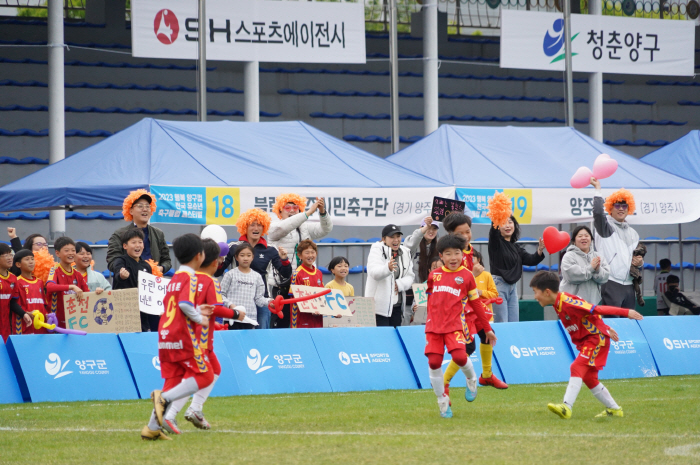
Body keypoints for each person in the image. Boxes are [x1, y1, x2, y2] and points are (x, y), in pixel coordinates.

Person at [529, 270, 643, 419]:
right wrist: (605, 327)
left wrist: (626, 312)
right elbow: (589, 315)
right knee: (589, 378)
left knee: (576, 367)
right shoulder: (558, 303)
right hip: (590, 339)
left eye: (535, 292)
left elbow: (596, 309)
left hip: (595, 339)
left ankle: (566, 407)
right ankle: (614, 409)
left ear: (547, 292)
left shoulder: (568, 302)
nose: (534, 296)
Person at [163, 239, 247, 433]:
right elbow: (216, 308)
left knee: (213, 370)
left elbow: (195, 308)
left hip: (181, 334)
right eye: (221, 259)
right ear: (216, 262)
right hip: (199, 340)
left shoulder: (184, 278)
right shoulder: (209, 281)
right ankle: (172, 413)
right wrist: (236, 314)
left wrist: (214, 324)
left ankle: (194, 409)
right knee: (198, 377)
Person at [143, 234, 214, 441]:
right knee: (206, 376)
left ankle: (151, 429)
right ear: (199, 256)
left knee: (173, 381)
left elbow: (172, 305)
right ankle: (164, 400)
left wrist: (196, 309)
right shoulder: (191, 278)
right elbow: (183, 305)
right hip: (182, 336)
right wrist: (200, 317)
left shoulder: (174, 279)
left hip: (165, 335)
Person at [424, 235, 496, 419]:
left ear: (463, 254)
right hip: (433, 327)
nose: (453, 257)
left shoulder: (467, 276)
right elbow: (431, 300)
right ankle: (442, 400)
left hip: (455, 326)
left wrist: (487, 328)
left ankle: (472, 379)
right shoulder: (434, 275)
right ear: (441, 256)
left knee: (459, 356)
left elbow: (477, 304)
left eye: (457, 253)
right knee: (433, 362)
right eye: (448, 254)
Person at [443, 246, 508, 392]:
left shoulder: (468, 252)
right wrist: (472, 275)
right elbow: (456, 287)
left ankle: (486, 375)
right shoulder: (452, 261)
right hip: (460, 310)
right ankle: (444, 381)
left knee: (487, 334)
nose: (466, 235)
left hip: (473, 306)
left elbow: (491, 293)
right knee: (468, 347)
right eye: (463, 232)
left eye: (468, 231)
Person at [217, 208, 291, 330]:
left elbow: (285, 274)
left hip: (262, 299)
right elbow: (218, 272)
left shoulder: (271, 249)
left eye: (260, 225)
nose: (256, 228)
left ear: (264, 228)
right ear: (245, 226)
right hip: (238, 301)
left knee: (261, 336)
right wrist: (218, 259)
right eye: (252, 225)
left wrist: (284, 260)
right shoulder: (234, 247)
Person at [267, 194, 333, 327]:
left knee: (304, 324)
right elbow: (284, 227)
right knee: (282, 325)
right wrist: (308, 212)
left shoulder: (305, 227)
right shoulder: (274, 226)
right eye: (287, 207)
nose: (292, 210)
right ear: (279, 211)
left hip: (305, 285)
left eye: (296, 207)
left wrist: (322, 211)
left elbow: (326, 229)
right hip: (283, 285)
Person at [590, 178, 643, 313]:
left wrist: (639, 262)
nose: (621, 208)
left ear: (628, 208)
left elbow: (636, 256)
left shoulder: (634, 233)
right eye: (617, 205)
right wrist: (597, 189)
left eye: (624, 205)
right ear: (610, 208)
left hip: (629, 285)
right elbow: (597, 213)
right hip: (611, 282)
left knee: (629, 325)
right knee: (613, 324)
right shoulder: (605, 227)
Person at [488, 215, 545, 322]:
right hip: (498, 286)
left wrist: (540, 250)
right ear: (498, 227)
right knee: (501, 322)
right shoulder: (495, 243)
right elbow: (493, 231)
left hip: (512, 287)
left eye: (510, 222)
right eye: (503, 223)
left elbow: (531, 260)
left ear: (515, 225)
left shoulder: (516, 248)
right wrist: (497, 213)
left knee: (514, 322)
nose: (507, 226)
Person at [107, 189, 171, 277]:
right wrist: (123, 271)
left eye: (148, 206)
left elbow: (167, 260)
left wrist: (161, 268)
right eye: (140, 206)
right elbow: (112, 260)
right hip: (129, 282)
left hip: (153, 282)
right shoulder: (119, 234)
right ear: (130, 211)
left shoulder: (158, 233)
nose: (145, 209)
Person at [365, 224, 415, 327]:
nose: (396, 240)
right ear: (384, 239)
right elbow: (374, 273)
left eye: (398, 236)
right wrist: (387, 268)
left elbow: (410, 276)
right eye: (392, 237)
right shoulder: (376, 250)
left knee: (394, 338)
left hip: (397, 306)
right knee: (381, 339)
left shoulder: (405, 252)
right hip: (379, 308)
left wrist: (400, 284)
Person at [111, 229, 155, 332]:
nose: (138, 245)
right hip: (125, 312)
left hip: (143, 313)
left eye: (140, 242)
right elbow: (117, 274)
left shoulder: (146, 266)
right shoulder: (120, 261)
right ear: (125, 246)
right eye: (133, 242)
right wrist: (121, 276)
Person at [220, 243, 271, 330]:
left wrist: (270, 302)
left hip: (249, 319)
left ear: (252, 257)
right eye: (242, 255)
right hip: (232, 318)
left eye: (248, 255)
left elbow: (259, 299)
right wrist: (230, 305)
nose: (245, 258)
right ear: (236, 257)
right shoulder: (230, 274)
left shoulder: (257, 276)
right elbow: (221, 295)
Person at [45, 237, 89, 329]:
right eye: (66, 250)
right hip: (56, 323)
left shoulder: (77, 274)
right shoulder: (55, 270)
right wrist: (71, 287)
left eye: (73, 250)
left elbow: (87, 293)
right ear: (57, 253)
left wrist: (97, 292)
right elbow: (49, 287)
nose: (71, 253)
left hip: (75, 323)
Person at [560, 225, 610, 305]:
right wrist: (591, 268)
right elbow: (571, 276)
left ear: (591, 239)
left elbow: (605, 278)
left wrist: (598, 270)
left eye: (587, 236)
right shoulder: (569, 256)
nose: (584, 238)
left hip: (592, 304)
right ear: (574, 241)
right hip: (572, 304)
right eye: (580, 236)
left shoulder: (598, 256)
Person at [290, 240, 327, 329]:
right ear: (299, 255)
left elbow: (322, 294)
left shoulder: (319, 273)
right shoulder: (297, 274)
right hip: (301, 319)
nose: (310, 255)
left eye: (312, 252)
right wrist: (310, 308)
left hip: (317, 317)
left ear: (316, 254)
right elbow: (294, 297)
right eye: (307, 253)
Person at [0, 244, 32, 341]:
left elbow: (12, 301)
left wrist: (23, 314)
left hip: (5, 326)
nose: (10, 258)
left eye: (11, 255)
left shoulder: (13, 278)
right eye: (6, 256)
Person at [13, 249, 47, 335]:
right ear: (18, 264)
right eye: (27, 259)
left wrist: (47, 315)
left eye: (32, 259)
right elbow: (15, 305)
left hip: (41, 326)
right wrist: (26, 313)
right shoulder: (17, 282)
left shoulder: (39, 282)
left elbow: (43, 304)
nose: (31, 262)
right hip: (25, 326)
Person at [404, 217, 440, 283]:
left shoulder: (439, 247)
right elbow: (411, 243)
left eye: (434, 228)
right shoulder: (413, 243)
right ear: (421, 228)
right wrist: (425, 228)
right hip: (412, 288)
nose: (431, 231)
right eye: (428, 228)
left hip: (432, 288)